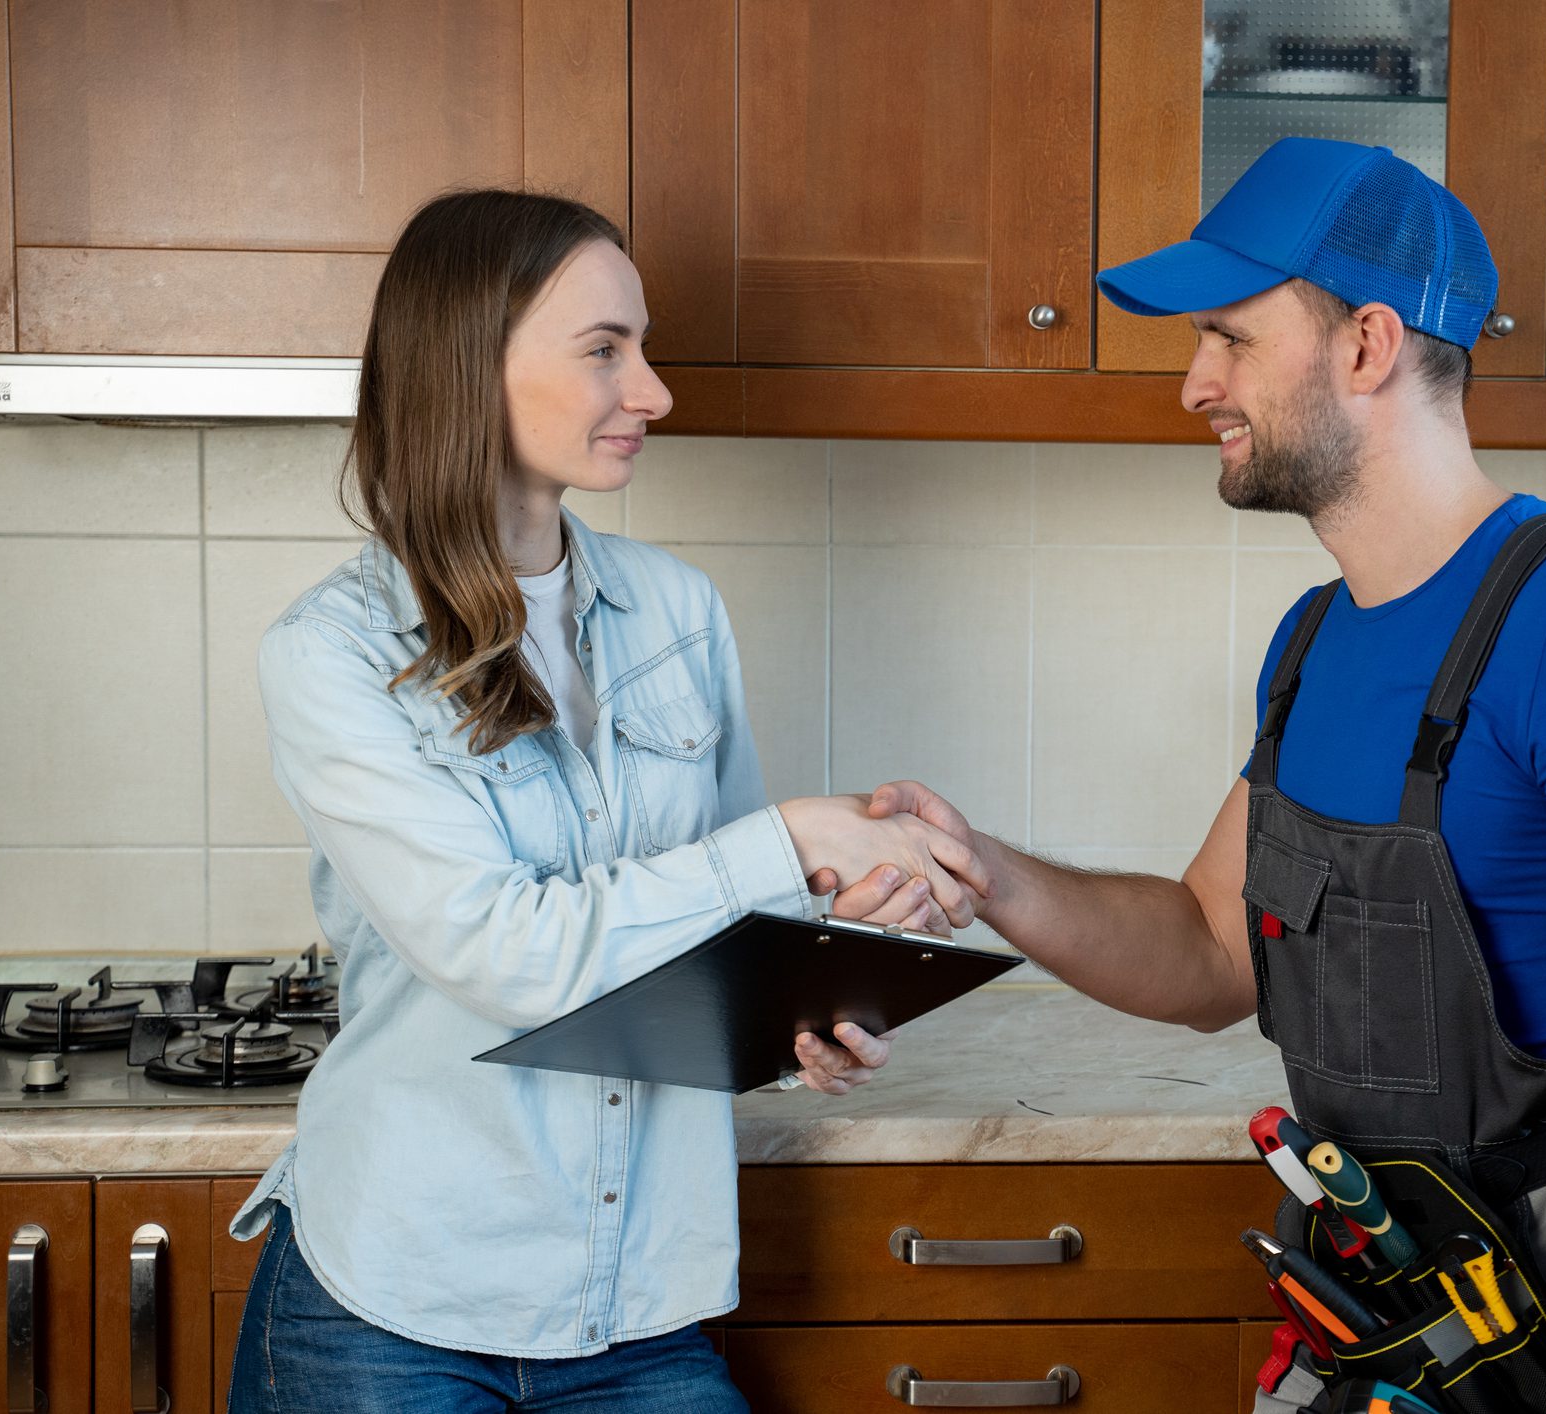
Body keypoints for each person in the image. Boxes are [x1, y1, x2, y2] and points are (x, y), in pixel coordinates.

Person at [848, 140, 1546, 1413]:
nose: (1193, 386)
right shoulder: (1316, 637)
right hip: (1398, 1306)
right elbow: (1206, 951)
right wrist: (989, 874)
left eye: (1229, 337)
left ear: (1367, 346)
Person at [226, 189, 983, 1413]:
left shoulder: (678, 611)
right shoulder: (333, 652)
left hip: (640, 1303)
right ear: (470, 365)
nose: (655, 391)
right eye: (604, 350)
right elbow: (504, 954)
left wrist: (805, 1009)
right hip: (397, 1303)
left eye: (643, 345)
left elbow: (729, 939)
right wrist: (790, 836)